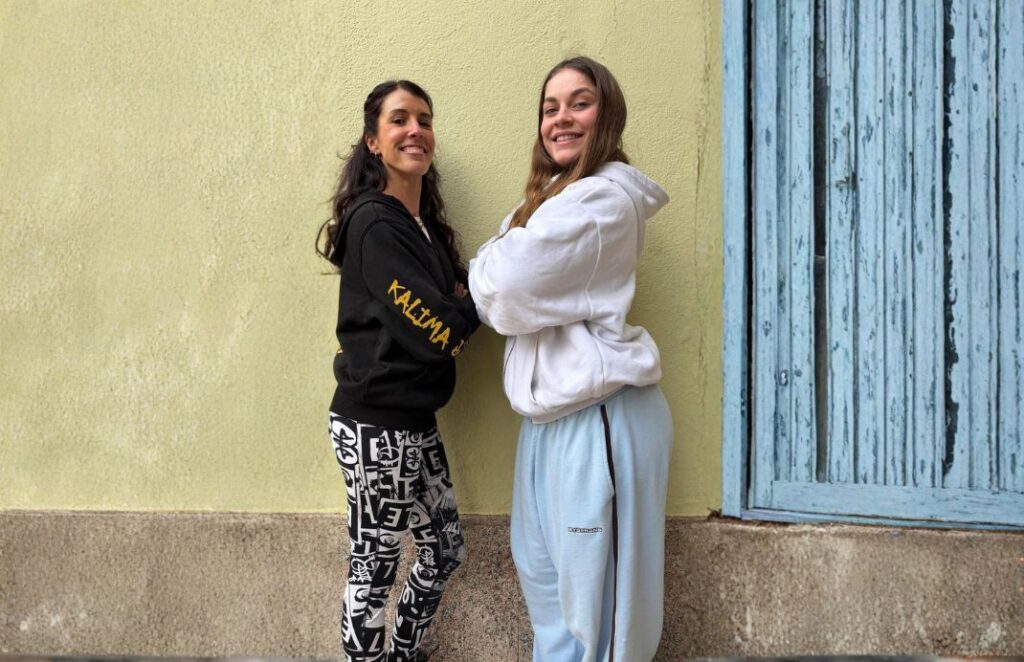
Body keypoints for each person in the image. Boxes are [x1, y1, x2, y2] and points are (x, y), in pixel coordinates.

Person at [468, 57, 673, 662]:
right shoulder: (547, 202)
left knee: (600, 621)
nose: (561, 119)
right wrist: (499, 265)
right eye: (549, 107)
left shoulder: (603, 200)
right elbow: (497, 284)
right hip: (546, 423)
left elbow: (503, 287)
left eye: (579, 103)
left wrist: (496, 262)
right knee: (548, 597)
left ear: (607, 114)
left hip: (600, 416)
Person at [317, 80, 479, 662]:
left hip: (413, 420)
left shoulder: (420, 225)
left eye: (425, 120)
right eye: (400, 119)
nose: (416, 130)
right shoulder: (375, 224)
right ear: (373, 141)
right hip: (374, 428)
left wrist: (456, 305)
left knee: (444, 549)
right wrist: (459, 309)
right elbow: (439, 331)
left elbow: (454, 303)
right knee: (376, 566)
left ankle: (403, 655)